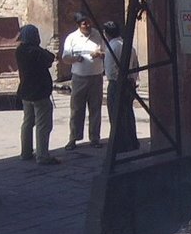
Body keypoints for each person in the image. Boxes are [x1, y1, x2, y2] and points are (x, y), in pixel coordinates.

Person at [15, 24, 59, 165]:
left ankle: (26, 152)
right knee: (43, 125)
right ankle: (42, 155)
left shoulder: (20, 50)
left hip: (26, 92)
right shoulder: (36, 51)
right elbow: (50, 58)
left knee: (28, 122)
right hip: (39, 93)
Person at [60, 12, 104, 150]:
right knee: (77, 109)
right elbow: (65, 58)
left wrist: (99, 54)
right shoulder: (72, 38)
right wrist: (75, 59)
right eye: (84, 23)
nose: (88, 25)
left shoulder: (97, 35)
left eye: (88, 22)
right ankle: (73, 137)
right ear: (79, 25)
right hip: (79, 77)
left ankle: (95, 138)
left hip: (96, 76)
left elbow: (107, 52)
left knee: (95, 108)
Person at [101, 20, 140, 153]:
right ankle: (132, 141)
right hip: (129, 82)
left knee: (116, 114)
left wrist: (117, 80)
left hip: (117, 83)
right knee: (128, 113)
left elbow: (110, 70)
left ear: (106, 33)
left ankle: (121, 144)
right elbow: (135, 65)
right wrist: (133, 80)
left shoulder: (112, 47)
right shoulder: (128, 45)